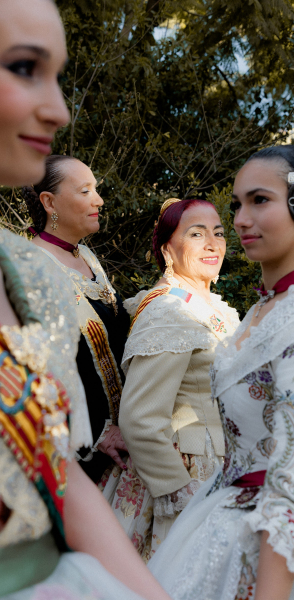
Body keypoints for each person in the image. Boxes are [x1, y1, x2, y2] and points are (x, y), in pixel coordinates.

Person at [0, 1, 171, 599]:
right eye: (25, 68)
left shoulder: (31, 273)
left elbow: (56, 471)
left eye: (58, 76)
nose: (58, 110)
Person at [147, 146, 294, 599]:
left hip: (272, 549)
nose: (241, 220)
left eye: (260, 200)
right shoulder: (255, 315)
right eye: (237, 205)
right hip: (218, 519)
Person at [101, 197, 239, 561]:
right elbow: (141, 419)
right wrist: (179, 492)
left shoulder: (205, 304)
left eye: (219, 233)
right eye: (196, 234)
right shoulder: (169, 310)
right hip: (187, 473)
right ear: (166, 249)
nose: (213, 243)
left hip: (221, 467)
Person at [23, 156, 130, 482]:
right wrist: (98, 432)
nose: (98, 200)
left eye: (95, 189)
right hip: (80, 458)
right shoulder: (31, 270)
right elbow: (34, 375)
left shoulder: (84, 256)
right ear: (49, 202)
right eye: (85, 191)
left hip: (125, 447)